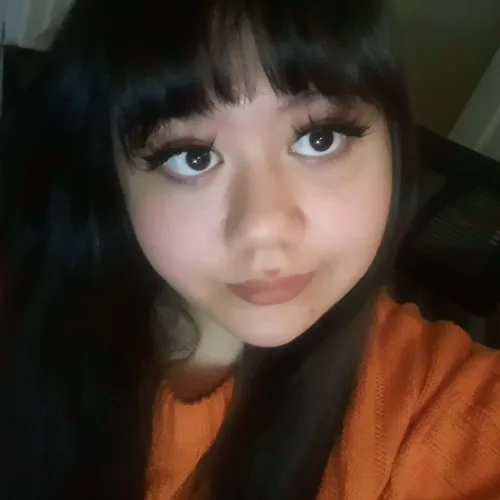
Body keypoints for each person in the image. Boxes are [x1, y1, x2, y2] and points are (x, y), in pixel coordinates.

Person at [1, 0, 499, 499]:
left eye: (320, 138)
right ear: (112, 177)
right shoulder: (23, 320)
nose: (263, 227)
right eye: (192, 157)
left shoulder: (439, 405)